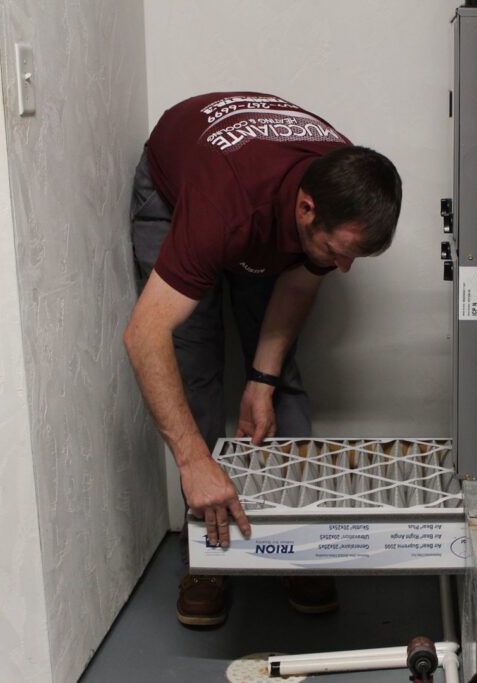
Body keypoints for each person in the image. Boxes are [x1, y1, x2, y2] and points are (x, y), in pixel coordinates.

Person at [123, 92, 402, 626]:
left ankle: (297, 538)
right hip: (181, 191)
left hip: (254, 201)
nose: (344, 269)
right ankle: (209, 550)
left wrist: (261, 380)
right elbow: (144, 335)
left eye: (355, 256)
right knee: (193, 361)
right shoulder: (222, 206)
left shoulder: (343, 183)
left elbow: (298, 287)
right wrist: (193, 461)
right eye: (340, 252)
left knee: (280, 372)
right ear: (305, 209)